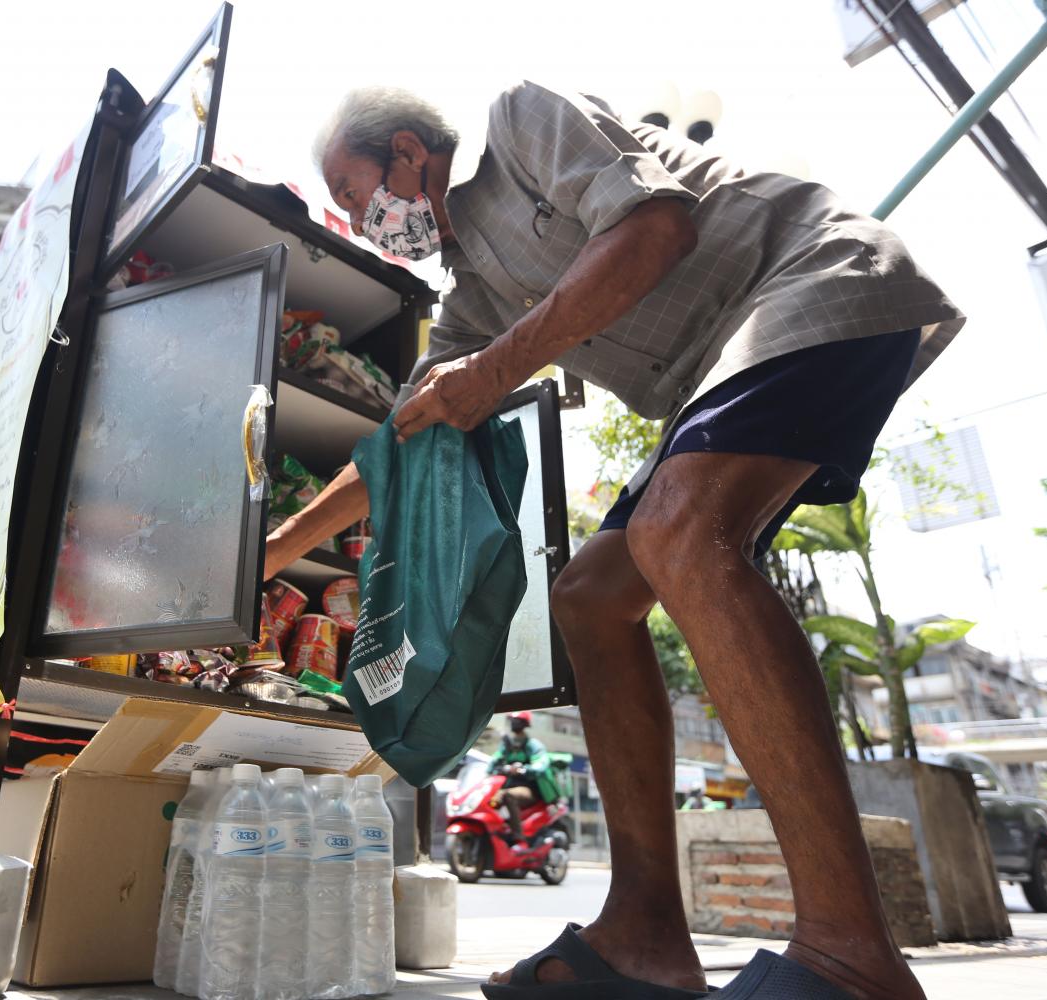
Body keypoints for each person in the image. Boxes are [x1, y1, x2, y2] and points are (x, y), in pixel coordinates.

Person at [267, 82, 965, 999]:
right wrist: (270, 555)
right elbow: (407, 433)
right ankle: (644, 933)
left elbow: (655, 227)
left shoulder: (519, 124)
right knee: (591, 599)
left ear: (406, 153)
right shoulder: (473, 290)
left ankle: (851, 954)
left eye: (357, 196)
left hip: (815, 277)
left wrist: (496, 370)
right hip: (719, 373)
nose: (362, 225)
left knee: (682, 528)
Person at [488, 712, 557, 844]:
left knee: (507, 795)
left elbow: (541, 764)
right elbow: (493, 762)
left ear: (525, 724)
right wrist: (500, 768)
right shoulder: (507, 745)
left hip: (529, 790)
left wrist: (524, 769)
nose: (514, 723)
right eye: (513, 720)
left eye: (518, 720)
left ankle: (518, 836)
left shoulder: (533, 745)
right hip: (506, 786)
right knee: (489, 799)